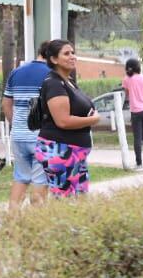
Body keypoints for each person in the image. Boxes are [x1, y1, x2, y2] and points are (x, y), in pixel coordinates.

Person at [34, 40, 102, 197]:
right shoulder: (54, 84)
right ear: (53, 59)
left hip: (76, 152)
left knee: (79, 201)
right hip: (60, 150)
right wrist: (93, 120)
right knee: (65, 201)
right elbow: (63, 121)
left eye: (73, 52)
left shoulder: (68, 82)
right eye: (66, 53)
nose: (72, 56)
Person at [1, 41, 52, 212]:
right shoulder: (52, 74)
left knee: (20, 178)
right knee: (40, 182)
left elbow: (6, 104)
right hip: (42, 137)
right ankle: (35, 224)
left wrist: (16, 124)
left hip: (18, 135)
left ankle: (12, 219)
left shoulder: (16, 72)